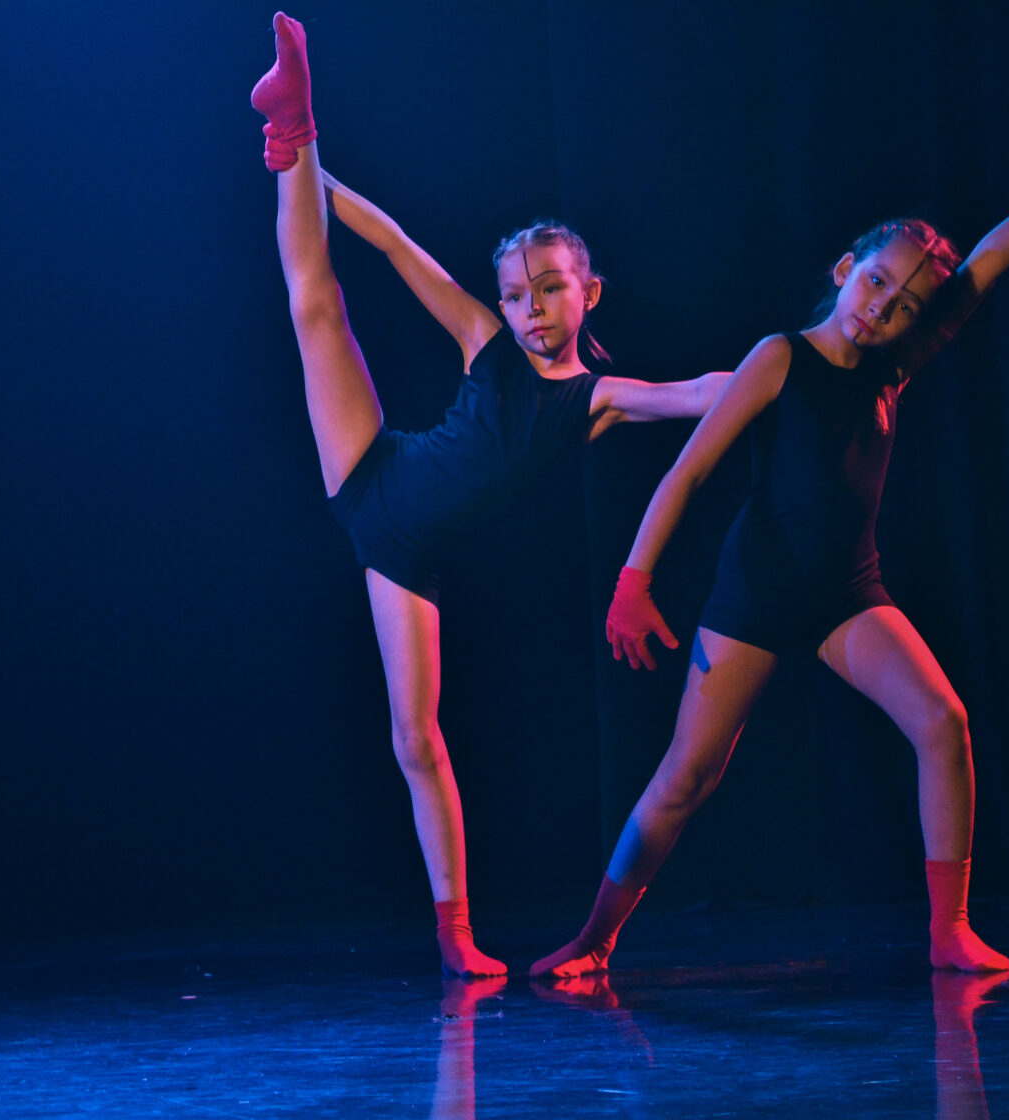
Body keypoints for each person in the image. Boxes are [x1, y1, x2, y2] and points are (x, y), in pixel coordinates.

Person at [532, 163, 1009, 976]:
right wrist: (635, 581)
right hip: (758, 596)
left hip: (846, 594)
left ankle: (949, 932)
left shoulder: (892, 367)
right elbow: (688, 473)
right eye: (875, 283)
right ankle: (595, 938)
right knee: (687, 777)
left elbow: (984, 268)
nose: (882, 307)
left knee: (943, 723)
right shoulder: (779, 358)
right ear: (845, 269)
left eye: (904, 305)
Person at [252, 13, 728, 975]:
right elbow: (397, 248)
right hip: (373, 471)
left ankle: (455, 937)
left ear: (589, 292)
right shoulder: (486, 344)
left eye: (549, 289)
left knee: (416, 739)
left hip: (404, 558)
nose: (530, 309)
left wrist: (787, 369)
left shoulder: (593, 401)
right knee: (316, 304)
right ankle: (295, 116)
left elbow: (696, 393)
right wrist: (306, 168)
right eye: (517, 295)